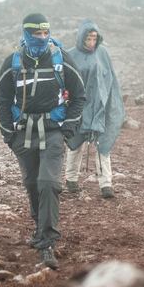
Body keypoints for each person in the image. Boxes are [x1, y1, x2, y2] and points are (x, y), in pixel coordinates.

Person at [0, 13, 85, 269]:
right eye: (36, 33)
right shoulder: (12, 63)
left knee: (48, 183)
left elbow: (79, 95)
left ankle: (47, 243)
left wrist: (68, 129)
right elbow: (3, 100)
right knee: (32, 184)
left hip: (54, 132)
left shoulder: (61, 58)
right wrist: (8, 135)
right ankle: (39, 228)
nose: (42, 37)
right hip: (23, 134)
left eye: (46, 32)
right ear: (26, 33)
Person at [62, 20, 126, 199]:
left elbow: (110, 79)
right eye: (88, 38)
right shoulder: (70, 55)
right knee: (76, 143)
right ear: (81, 37)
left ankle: (106, 184)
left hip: (100, 106)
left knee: (102, 144)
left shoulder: (103, 53)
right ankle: (71, 179)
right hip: (79, 107)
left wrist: (111, 103)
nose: (91, 42)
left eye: (94, 38)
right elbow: (65, 83)